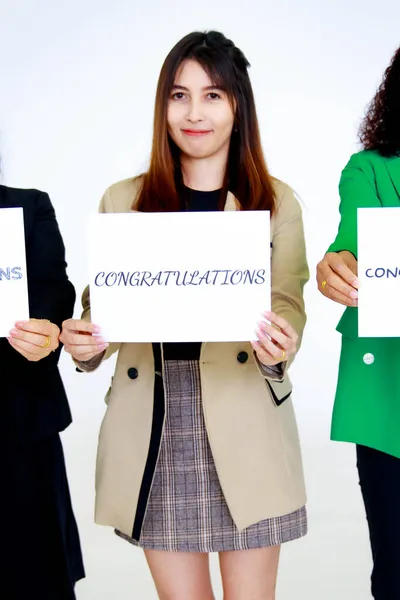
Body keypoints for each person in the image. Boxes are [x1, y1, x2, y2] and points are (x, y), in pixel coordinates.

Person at [60, 30, 308, 600]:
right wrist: (87, 342)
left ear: (238, 106)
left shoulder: (274, 200)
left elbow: (288, 298)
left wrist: (282, 342)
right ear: (162, 105)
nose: (194, 112)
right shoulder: (124, 200)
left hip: (244, 414)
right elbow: (104, 310)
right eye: (179, 95)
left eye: (213, 95)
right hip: (155, 420)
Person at [317, 46, 400, 600]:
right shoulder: (370, 168)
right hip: (388, 400)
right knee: (396, 569)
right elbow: (352, 237)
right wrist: (335, 267)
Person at [0, 183, 85, 599]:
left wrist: (48, 329)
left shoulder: (25, 205)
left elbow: (55, 286)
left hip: (16, 419)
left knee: (32, 573)